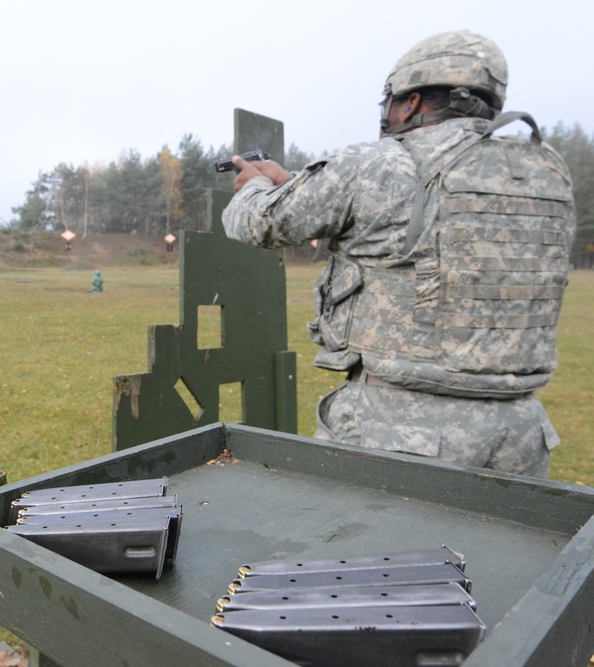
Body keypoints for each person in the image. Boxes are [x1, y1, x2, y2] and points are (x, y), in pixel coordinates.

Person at [222, 30, 576, 477]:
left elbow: (256, 222)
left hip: (402, 431)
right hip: (521, 433)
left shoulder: (379, 162)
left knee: (365, 548)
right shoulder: (545, 171)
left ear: (409, 102)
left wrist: (252, 184)